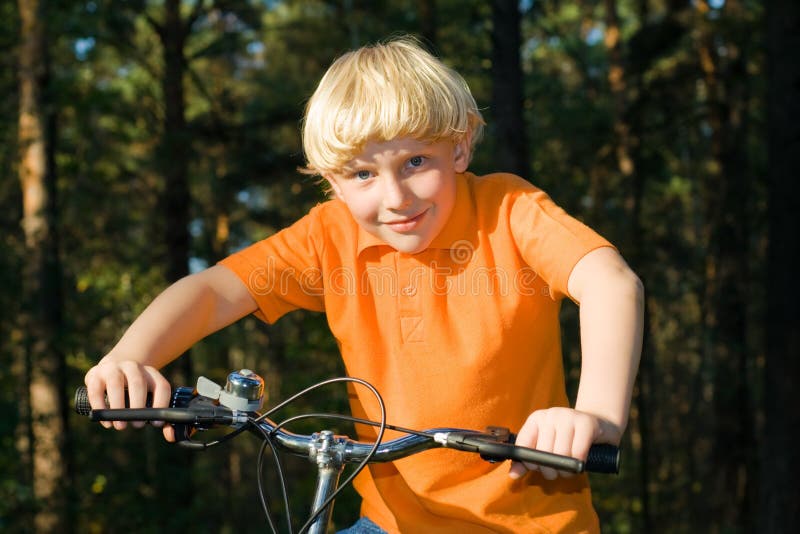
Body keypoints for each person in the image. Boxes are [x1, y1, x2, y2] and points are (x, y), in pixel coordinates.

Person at [85, 35, 643, 533]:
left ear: (460, 149)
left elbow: (610, 283)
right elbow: (212, 292)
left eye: (416, 160)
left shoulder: (508, 210)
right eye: (363, 174)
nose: (396, 197)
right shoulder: (330, 236)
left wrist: (593, 417)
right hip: (390, 524)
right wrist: (129, 357)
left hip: (530, 525)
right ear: (333, 183)